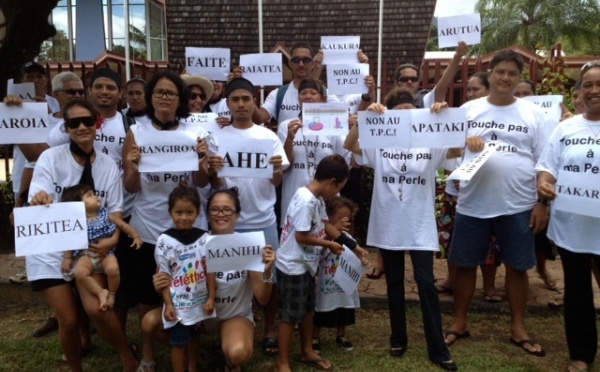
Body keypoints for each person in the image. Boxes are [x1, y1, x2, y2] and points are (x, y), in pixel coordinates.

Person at [443, 50, 554, 357]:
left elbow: (546, 161)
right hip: (473, 202)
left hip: (518, 204)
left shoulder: (534, 115)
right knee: (465, 264)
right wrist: (464, 143)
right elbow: (449, 151)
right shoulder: (468, 110)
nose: (506, 78)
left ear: (519, 78)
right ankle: (460, 321)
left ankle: (518, 327)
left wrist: (542, 202)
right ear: (489, 74)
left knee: (518, 267)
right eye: (500, 72)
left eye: (512, 74)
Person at [343, 89, 459, 371]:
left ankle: (437, 347)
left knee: (426, 283)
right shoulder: (380, 142)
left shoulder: (430, 141)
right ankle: (398, 337)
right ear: (392, 114)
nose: (406, 114)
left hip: (419, 224)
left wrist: (444, 121)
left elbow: (455, 153)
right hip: (389, 221)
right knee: (394, 282)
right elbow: (350, 145)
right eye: (400, 110)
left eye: (411, 108)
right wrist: (364, 119)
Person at [27, 99, 138, 372]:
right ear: (65, 128)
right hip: (52, 248)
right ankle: (75, 368)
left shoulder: (109, 165)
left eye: (87, 121)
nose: (81, 127)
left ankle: (127, 355)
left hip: (91, 248)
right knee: (68, 320)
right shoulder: (50, 158)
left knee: (96, 309)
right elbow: (37, 196)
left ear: (97, 124)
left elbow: (116, 212)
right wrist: (40, 197)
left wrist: (113, 240)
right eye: (74, 123)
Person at [123, 70, 210, 366]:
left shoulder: (192, 131)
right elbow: (130, 187)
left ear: (180, 99)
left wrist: (202, 160)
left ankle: (190, 349)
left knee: (190, 291)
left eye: (171, 92)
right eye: (158, 92)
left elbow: (200, 181)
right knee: (147, 296)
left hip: (187, 229)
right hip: (147, 227)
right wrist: (133, 168)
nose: (164, 97)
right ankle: (148, 355)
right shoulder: (137, 130)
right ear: (150, 97)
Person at [142, 188, 276, 372]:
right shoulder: (195, 242)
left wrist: (267, 271)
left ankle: (228, 357)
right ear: (206, 214)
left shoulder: (248, 245)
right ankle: (191, 355)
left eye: (227, 209)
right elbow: (172, 275)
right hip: (199, 311)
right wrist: (160, 283)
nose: (221, 214)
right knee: (149, 322)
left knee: (238, 352)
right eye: (215, 209)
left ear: (237, 215)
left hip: (232, 315)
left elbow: (262, 299)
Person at [207, 77, 288, 356]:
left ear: (254, 101)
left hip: (263, 219)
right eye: (235, 99)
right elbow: (214, 186)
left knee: (269, 278)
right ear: (227, 103)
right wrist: (212, 169)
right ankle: (228, 323)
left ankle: (269, 328)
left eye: (246, 99)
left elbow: (276, 182)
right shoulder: (217, 137)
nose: (241, 104)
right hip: (228, 224)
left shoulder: (268, 136)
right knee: (226, 277)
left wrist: (277, 169)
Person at [536, 60, 600, 372]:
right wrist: (544, 185)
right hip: (572, 226)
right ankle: (582, 355)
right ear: (579, 91)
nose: (594, 90)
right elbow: (549, 167)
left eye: (599, 84)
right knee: (577, 292)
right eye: (587, 85)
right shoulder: (566, 128)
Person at [275, 154, 367, 372]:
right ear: (332, 182)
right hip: (292, 266)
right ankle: (282, 363)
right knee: (290, 316)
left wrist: (353, 246)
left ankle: (307, 351)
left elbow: (325, 224)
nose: (336, 194)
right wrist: (328, 245)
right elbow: (301, 236)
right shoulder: (305, 201)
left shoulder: (316, 199)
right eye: (337, 189)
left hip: (307, 265)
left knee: (308, 309)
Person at [436, 71, 503, 303]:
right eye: (469, 90)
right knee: (453, 237)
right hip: (457, 191)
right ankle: (451, 279)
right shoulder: (462, 114)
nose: (471, 94)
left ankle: (489, 286)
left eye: (476, 89)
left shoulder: (496, 117)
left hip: (486, 191)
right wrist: (440, 112)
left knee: (490, 241)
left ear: (488, 90)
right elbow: (444, 137)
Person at [155, 183, 216, 372]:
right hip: (178, 305)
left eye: (189, 212)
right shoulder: (164, 241)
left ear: (198, 213)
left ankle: (192, 367)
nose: (184, 218)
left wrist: (211, 297)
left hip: (198, 301)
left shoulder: (205, 238)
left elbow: (210, 271)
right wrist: (169, 305)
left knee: (194, 336)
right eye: (178, 212)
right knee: (178, 343)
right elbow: (163, 275)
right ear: (170, 212)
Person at [277, 78, 350, 228]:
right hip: (295, 196)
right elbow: (283, 168)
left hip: (328, 199)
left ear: (323, 99)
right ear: (298, 99)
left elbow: (346, 164)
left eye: (313, 92)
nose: (308, 96)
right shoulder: (286, 126)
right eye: (303, 93)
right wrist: (290, 138)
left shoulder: (335, 126)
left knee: (326, 241)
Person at [60, 184, 142, 311]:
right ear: (77, 204)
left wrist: (135, 235)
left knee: (113, 270)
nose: (95, 196)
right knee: (80, 273)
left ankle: (112, 294)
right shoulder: (76, 221)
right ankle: (100, 292)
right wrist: (67, 258)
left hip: (106, 254)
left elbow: (122, 225)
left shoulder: (105, 214)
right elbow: (68, 238)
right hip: (85, 255)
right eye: (89, 196)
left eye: (94, 193)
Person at [312, 196, 365, 353]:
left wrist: (362, 260)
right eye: (340, 218)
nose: (344, 221)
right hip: (325, 283)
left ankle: (341, 335)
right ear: (328, 218)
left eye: (347, 218)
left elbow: (356, 253)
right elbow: (318, 252)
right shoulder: (322, 237)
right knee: (320, 309)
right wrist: (331, 235)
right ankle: (315, 337)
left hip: (343, 283)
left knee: (344, 308)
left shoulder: (349, 239)